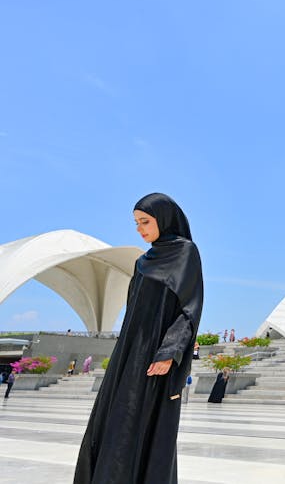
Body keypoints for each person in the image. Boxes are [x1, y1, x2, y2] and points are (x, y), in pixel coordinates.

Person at [74, 193, 203, 484]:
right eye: (136, 223)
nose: (140, 229)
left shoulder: (185, 253)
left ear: (164, 218)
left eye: (145, 221)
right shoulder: (142, 262)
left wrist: (169, 351)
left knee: (145, 423)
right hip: (128, 355)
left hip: (157, 357)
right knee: (115, 422)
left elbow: (189, 309)